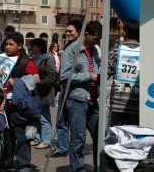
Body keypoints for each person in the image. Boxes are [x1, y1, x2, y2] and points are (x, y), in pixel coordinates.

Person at [60, 21, 101, 171]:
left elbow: (97, 69)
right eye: (95, 39)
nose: (97, 42)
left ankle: (99, 166)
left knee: (100, 134)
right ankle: (77, 169)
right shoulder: (72, 50)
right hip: (77, 99)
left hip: (92, 100)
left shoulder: (94, 50)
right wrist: (89, 76)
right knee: (78, 138)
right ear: (87, 35)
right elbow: (64, 77)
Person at [0, 32, 40, 171]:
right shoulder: (1, 59)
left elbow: (36, 79)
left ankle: (24, 167)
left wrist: (16, 82)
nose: (7, 47)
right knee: (7, 139)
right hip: (4, 105)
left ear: (20, 46)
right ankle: (7, 164)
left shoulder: (26, 61)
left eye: (11, 44)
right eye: (6, 44)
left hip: (19, 106)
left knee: (21, 138)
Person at [49, 19, 82, 158]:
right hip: (64, 87)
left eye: (71, 31)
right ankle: (62, 148)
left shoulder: (80, 46)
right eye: (67, 31)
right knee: (61, 120)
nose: (68, 33)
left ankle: (74, 150)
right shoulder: (69, 45)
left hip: (74, 89)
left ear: (79, 32)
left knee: (76, 125)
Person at [108, 19, 140, 126]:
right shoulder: (145, 52)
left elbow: (105, 72)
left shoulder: (116, 51)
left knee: (114, 138)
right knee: (133, 140)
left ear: (125, 33)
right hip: (137, 103)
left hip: (118, 102)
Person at [29, 38, 56, 149]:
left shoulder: (47, 59)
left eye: (33, 46)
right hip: (36, 91)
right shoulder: (34, 58)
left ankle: (46, 140)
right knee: (37, 115)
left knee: (44, 116)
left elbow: (52, 75)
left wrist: (41, 82)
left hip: (44, 91)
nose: (31, 48)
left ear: (39, 47)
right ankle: (38, 138)